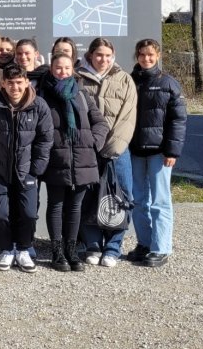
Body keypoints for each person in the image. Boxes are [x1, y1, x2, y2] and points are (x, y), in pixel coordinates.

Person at [0, 64, 53, 273]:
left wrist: (36, 169)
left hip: (27, 170)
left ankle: (24, 249)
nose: (15, 87)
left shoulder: (38, 105)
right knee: (1, 214)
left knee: (28, 213)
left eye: (19, 82)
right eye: (10, 83)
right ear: (3, 83)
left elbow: (45, 140)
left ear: (27, 82)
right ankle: (7, 249)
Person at [39, 55, 109, 272]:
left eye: (66, 68)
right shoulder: (42, 94)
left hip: (82, 159)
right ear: (51, 69)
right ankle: (57, 252)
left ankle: (71, 250)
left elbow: (100, 122)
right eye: (58, 68)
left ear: (72, 69)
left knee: (75, 207)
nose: (62, 71)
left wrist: (93, 142)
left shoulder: (81, 94)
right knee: (56, 205)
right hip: (56, 159)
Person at [76, 38, 137, 268]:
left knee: (121, 197)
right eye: (99, 55)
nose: (103, 59)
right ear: (90, 55)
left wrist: (112, 147)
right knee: (89, 197)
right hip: (88, 150)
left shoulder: (124, 79)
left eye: (108, 55)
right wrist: (90, 145)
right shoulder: (79, 78)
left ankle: (113, 247)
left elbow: (127, 117)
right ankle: (93, 244)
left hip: (117, 150)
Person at [127, 39, 187, 268]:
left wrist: (172, 150)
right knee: (138, 200)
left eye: (150, 54)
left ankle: (161, 247)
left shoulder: (168, 83)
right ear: (137, 56)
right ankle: (145, 243)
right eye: (142, 54)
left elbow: (178, 120)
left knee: (160, 201)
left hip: (160, 153)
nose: (146, 58)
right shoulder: (131, 81)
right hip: (135, 150)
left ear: (158, 55)